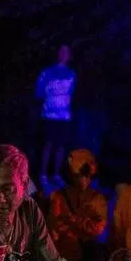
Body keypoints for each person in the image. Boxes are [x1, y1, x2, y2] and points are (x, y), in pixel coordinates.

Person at [47, 149, 108, 261]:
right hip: (65, 259)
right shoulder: (58, 196)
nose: (83, 180)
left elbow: (98, 228)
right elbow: (54, 226)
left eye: (86, 176)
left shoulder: (97, 198)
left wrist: (73, 220)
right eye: (79, 176)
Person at [36, 46, 77, 190]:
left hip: (64, 117)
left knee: (60, 146)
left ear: (70, 55)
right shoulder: (47, 73)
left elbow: (72, 93)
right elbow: (39, 93)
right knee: (47, 145)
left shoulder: (72, 74)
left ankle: (56, 174)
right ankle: (43, 175)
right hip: (49, 116)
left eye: (66, 52)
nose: (63, 54)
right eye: (61, 51)